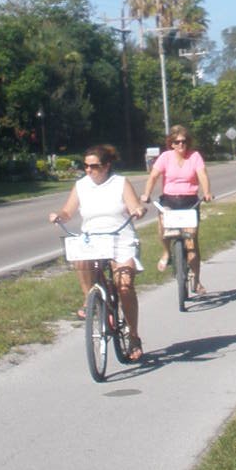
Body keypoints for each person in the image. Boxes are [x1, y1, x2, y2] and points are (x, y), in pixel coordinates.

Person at [49, 143, 147, 356]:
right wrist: (59, 215)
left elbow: (133, 206)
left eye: (94, 166)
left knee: (125, 286)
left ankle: (133, 337)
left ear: (106, 165)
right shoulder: (81, 185)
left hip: (120, 238)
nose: (89, 170)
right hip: (93, 238)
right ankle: (90, 299)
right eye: (85, 166)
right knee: (80, 258)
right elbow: (68, 211)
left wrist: (138, 210)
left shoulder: (120, 183)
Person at [142, 126, 212, 295]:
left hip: (189, 200)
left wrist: (207, 192)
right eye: (177, 142)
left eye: (184, 141)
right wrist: (146, 194)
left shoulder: (195, 157)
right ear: (171, 144)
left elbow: (202, 174)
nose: (181, 145)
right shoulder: (165, 157)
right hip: (170, 199)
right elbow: (154, 176)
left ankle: (196, 280)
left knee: (191, 242)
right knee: (162, 227)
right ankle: (167, 253)